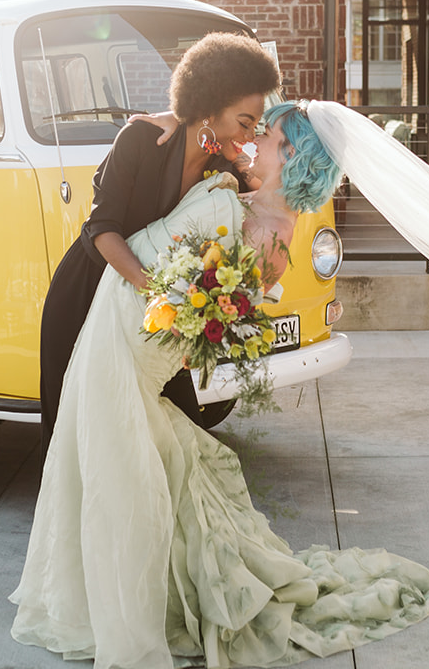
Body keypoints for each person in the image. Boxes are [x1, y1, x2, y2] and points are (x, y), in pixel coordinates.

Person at [11, 103, 429, 669]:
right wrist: (169, 116)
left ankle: (130, 616)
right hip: (115, 329)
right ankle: (116, 599)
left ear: (290, 156)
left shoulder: (271, 236)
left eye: (268, 136)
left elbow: (211, 315)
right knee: (116, 471)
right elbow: (205, 142)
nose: (256, 140)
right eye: (255, 129)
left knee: (120, 477)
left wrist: (177, 311)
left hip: (133, 346)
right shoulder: (255, 203)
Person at [38, 32, 279, 443]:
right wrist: (157, 292)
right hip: (86, 298)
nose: (247, 135)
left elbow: (273, 188)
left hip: (156, 316)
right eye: (244, 122)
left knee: (183, 427)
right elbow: (101, 228)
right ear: (209, 102)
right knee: (77, 435)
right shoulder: (140, 141)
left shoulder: (224, 169)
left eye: (254, 126)